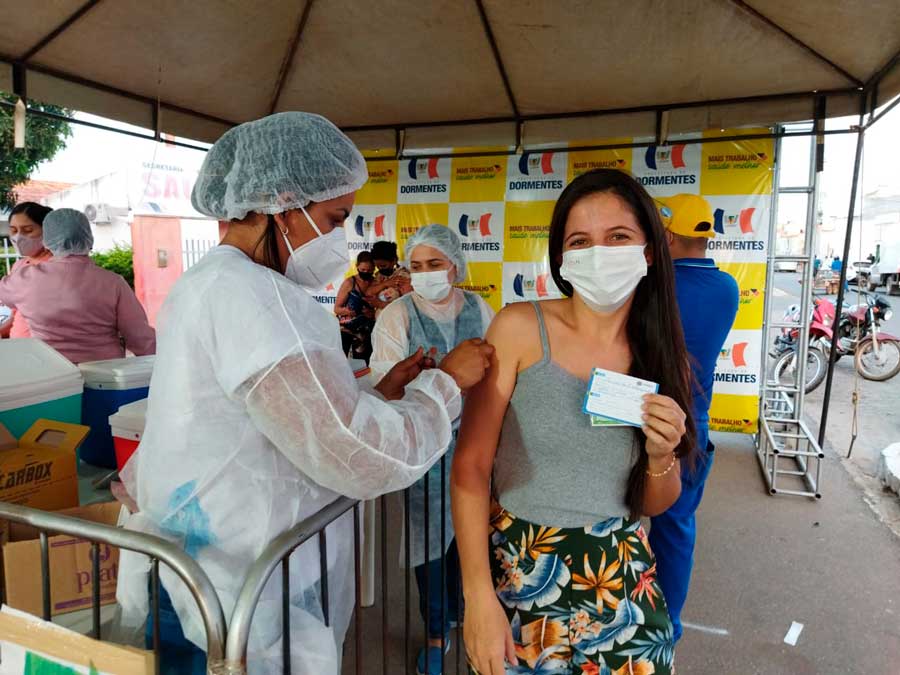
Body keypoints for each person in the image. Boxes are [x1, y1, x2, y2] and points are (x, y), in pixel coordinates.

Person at [115, 112, 494, 675]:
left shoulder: (214, 283)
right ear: (284, 203)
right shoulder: (253, 296)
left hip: (209, 573)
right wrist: (446, 384)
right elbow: (358, 453)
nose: (341, 236)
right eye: (335, 216)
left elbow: (289, 411)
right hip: (234, 593)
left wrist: (384, 390)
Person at [452, 169, 697, 675]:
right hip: (521, 565)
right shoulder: (519, 329)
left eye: (619, 237)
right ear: (562, 258)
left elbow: (654, 501)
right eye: (580, 241)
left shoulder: (661, 353)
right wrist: (477, 595)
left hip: (621, 571)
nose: (599, 253)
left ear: (649, 252)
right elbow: (471, 466)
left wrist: (660, 455)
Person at [371, 224, 495, 675]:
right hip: (425, 444)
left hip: (477, 441)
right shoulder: (397, 317)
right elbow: (388, 383)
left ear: (455, 266)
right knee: (428, 542)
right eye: (416, 266)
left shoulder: (480, 309)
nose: (424, 275)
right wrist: (441, 378)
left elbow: (500, 373)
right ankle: (437, 629)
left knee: (473, 533)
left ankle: (467, 608)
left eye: (434, 265)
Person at [651, 194, 739, 643]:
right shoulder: (727, 289)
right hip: (693, 428)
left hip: (641, 423)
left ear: (666, 235)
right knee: (677, 528)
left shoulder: (650, 287)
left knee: (622, 525)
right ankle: (670, 626)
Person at [0, 208, 156, 363]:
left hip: (50, 373)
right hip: (105, 375)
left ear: (47, 241)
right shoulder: (113, 282)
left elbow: (5, 297)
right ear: (88, 239)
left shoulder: (24, 278)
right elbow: (140, 337)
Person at [1, 202, 54, 339]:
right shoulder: (19, 266)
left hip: (47, 349)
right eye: (13, 230)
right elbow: (17, 313)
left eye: (28, 230)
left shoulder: (58, 265)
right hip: (20, 346)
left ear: (47, 230)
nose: (18, 237)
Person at [335, 250, 377, 360]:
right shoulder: (349, 283)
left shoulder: (376, 283)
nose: (366, 272)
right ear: (357, 266)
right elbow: (337, 309)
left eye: (369, 270)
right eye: (363, 270)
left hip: (365, 331)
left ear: (374, 269)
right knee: (340, 360)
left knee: (362, 363)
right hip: (346, 329)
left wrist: (372, 313)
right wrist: (349, 312)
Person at [367, 240, 412, 311]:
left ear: (394, 261)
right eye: (377, 266)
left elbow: (408, 305)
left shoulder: (403, 276)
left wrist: (381, 304)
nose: (380, 269)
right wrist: (385, 284)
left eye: (383, 265)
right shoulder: (379, 275)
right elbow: (368, 293)